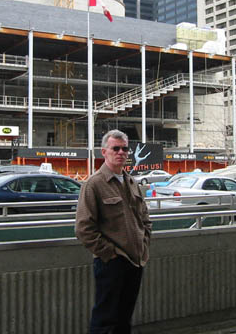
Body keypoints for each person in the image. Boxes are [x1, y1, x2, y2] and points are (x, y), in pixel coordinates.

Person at [75, 129, 152, 334]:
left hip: (135, 261)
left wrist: (144, 243)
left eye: (125, 149)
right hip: (111, 263)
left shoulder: (131, 182)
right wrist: (111, 254)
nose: (121, 153)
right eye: (115, 148)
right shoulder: (94, 184)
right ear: (104, 152)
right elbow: (83, 228)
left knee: (124, 318)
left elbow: (144, 217)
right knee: (105, 320)